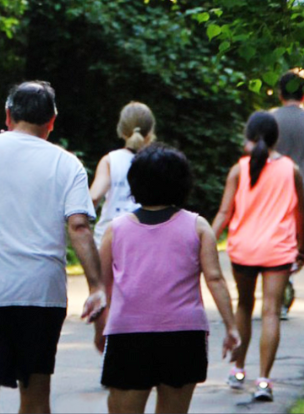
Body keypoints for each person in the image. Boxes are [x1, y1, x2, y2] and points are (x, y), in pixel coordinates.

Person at [0, 81, 105, 413]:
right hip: (40, 295)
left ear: (7, 115)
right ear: (51, 122)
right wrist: (97, 285)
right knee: (35, 392)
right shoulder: (68, 164)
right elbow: (79, 226)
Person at [93, 143, 240, 413]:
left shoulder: (115, 231)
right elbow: (215, 280)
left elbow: (102, 289)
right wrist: (231, 327)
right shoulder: (198, 226)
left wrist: (100, 328)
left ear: (134, 183)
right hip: (184, 336)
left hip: (129, 336)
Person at [211, 111, 304, 402]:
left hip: (243, 249)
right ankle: (264, 381)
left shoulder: (239, 169)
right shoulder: (291, 170)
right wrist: (302, 247)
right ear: (276, 137)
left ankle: (238, 371)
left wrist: (203, 242)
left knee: (244, 306)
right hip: (277, 249)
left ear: (249, 136)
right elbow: (301, 213)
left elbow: (225, 213)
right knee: (271, 311)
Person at [90, 101, 156, 247]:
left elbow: (94, 197)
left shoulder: (110, 160)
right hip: (145, 239)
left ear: (121, 130)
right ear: (150, 131)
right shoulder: (157, 160)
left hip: (109, 238)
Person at [271, 69, 304, 320]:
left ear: (280, 94)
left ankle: (280, 293)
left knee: (278, 245)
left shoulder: (268, 121)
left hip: (277, 193)